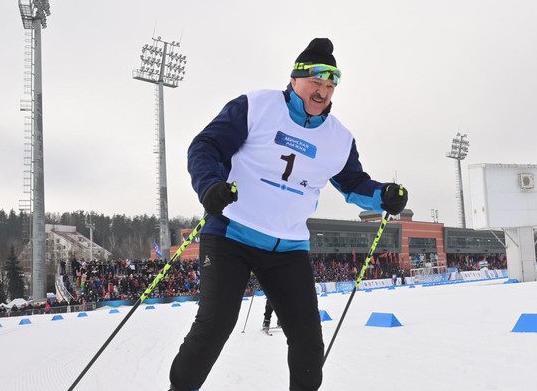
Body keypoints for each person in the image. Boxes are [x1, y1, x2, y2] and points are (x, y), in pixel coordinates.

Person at [168, 38, 409, 391]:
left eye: (330, 86)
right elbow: (206, 146)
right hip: (232, 234)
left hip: (289, 248)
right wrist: (210, 185)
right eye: (316, 82)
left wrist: (383, 195)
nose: (323, 92)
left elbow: (353, 184)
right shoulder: (257, 106)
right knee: (215, 326)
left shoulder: (338, 138)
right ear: (295, 79)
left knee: (308, 341)